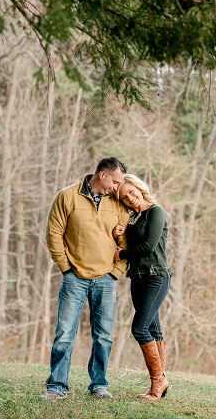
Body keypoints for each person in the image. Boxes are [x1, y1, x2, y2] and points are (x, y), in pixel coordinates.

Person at [40, 157, 130, 401]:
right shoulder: (67, 197)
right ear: (102, 174)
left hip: (106, 279)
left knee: (103, 336)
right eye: (116, 181)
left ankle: (98, 384)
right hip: (74, 278)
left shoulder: (118, 204)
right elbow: (53, 234)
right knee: (64, 334)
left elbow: (125, 242)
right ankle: (57, 387)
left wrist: (116, 272)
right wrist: (66, 268)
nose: (117, 186)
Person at [112, 174, 172, 401]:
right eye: (124, 197)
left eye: (131, 192)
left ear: (139, 188)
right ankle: (158, 384)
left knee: (139, 328)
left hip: (156, 277)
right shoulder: (134, 217)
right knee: (154, 329)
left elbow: (148, 246)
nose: (129, 198)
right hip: (137, 277)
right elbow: (134, 240)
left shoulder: (156, 211)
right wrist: (121, 233)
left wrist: (122, 254)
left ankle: (158, 381)